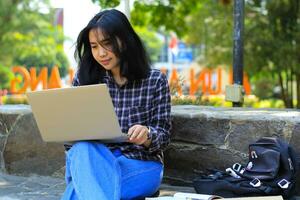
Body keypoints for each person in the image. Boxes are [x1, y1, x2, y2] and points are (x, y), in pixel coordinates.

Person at [61, 9, 171, 200]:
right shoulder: (85, 78)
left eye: (107, 44)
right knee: (81, 149)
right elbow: (71, 141)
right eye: (94, 46)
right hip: (95, 160)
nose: (101, 53)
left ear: (125, 40)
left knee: (79, 192)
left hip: (141, 164)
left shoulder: (155, 80)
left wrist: (147, 134)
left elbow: (164, 137)